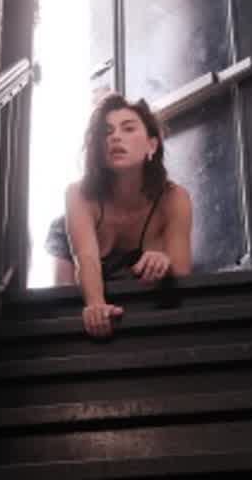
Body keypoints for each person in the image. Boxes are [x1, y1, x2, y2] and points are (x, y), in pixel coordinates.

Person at [44, 93, 192, 337]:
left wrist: (164, 264)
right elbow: (87, 259)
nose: (115, 137)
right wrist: (96, 305)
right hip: (75, 243)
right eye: (107, 131)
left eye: (128, 128)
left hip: (135, 271)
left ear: (152, 145)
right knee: (66, 302)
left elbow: (182, 269)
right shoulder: (77, 193)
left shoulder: (174, 198)